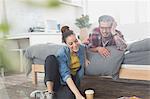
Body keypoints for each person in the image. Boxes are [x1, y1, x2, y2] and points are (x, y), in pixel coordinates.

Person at [44, 30, 85, 99]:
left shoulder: (81, 48)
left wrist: (97, 49)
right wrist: (78, 94)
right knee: (51, 58)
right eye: (71, 43)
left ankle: (44, 94)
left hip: (70, 81)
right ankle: (49, 93)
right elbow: (65, 75)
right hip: (59, 80)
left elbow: (86, 48)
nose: (75, 45)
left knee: (70, 96)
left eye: (76, 41)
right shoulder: (62, 53)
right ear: (66, 44)